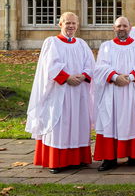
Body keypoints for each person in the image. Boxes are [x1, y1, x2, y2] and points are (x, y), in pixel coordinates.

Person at [26, 12, 94, 174]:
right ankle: (57, 161)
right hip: (59, 91)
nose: (70, 26)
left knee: (78, 123)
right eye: (67, 23)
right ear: (60, 24)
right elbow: (49, 66)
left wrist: (84, 75)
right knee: (59, 123)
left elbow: (90, 63)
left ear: (77, 25)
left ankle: (77, 159)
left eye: (73, 23)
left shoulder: (81, 44)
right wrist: (66, 77)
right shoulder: (52, 42)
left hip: (79, 92)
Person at [93, 16, 135, 172]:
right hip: (112, 92)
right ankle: (109, 158)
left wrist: (129, 77)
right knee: (110, 121)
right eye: (119, 26)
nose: (122, 29)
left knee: (134, 121)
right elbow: (100, 67)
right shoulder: (106, 46)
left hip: (132, 90)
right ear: (114, 28)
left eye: (125, 26)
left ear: (130, 28)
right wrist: (115, 77)